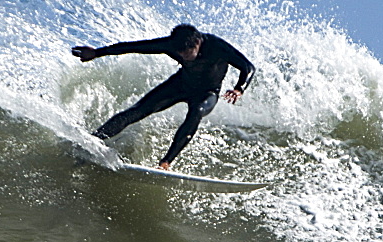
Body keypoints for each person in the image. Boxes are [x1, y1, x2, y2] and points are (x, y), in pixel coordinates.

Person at [72, 24, 256, 169]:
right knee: (138, 110)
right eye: (179, 55)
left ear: (197, 44)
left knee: (196, 112)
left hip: (207, 92)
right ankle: (92, 140)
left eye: (187, 54)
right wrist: (97, 53)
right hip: (180, 84)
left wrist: (239, 89)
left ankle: (165, 163)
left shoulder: (217, 47)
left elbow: (248, 67)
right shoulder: (171, 44)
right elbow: (135, 47)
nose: (183, 57)